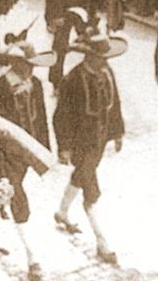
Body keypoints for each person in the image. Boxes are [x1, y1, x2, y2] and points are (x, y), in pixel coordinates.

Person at [0, 36, 54, 280]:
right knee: (17, 198)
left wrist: (43, 152)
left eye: (32, 65)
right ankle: (33, 259)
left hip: (26, 155)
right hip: (6, 156)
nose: (31, 69)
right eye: (27, 64)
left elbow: (41, 120)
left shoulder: (36, 85)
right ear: (14, 64)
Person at [53, 27, 126, 266]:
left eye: (106, 58)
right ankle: (103, 242)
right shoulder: (72, 80)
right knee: (91, 189)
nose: (104, 62)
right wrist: (64, 147)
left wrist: (117, 134)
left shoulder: (107, 74)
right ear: (89, 56)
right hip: (80, 142)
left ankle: (62, 212)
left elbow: (115, 106)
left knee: (81, 176)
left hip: (99, 139)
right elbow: (61, 116)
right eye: (100, 58)